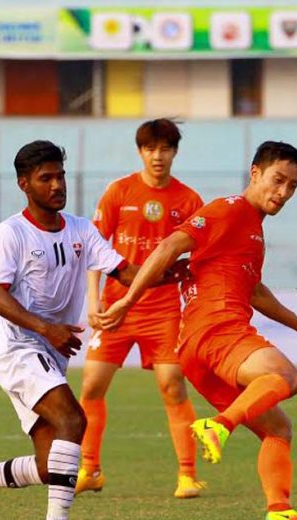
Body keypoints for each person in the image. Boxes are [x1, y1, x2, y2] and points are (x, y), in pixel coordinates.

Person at [0, 140, 182, 520]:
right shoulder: (11, 232)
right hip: (17, 350)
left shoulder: (82, 228)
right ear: (24, 184)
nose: (56, 185)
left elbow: (124, 271)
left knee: (51, 467)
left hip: (47, 354)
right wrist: (48, 329)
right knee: (73, 422)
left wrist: (174, 273)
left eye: (60, 176)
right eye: (45, 178)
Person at [96, 141, 297, 520]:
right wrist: (127, 299)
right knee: (286, 377)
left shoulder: (252, 230)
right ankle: (219, 426)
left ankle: (280, 512)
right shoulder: (230, 209)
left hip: (197, 350)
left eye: (292, 186)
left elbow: (255, 291)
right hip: (218, 331)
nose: (282, 192)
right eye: (277, 180)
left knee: (278, 427)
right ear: (255, 173)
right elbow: (171, 245)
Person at [77, 119, 205, 499]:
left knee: (172, 385)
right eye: (151, 149)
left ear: (174, 152)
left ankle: (187, 475)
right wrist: (92, 298)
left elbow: (198, 255)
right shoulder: (119, 192)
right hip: (117, 305)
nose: (158, 156)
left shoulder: (188, 200)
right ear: (140, 152)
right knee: (91, 385)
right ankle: (90, 469)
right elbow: (95, 247)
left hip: (164, 309)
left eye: (165, 149)